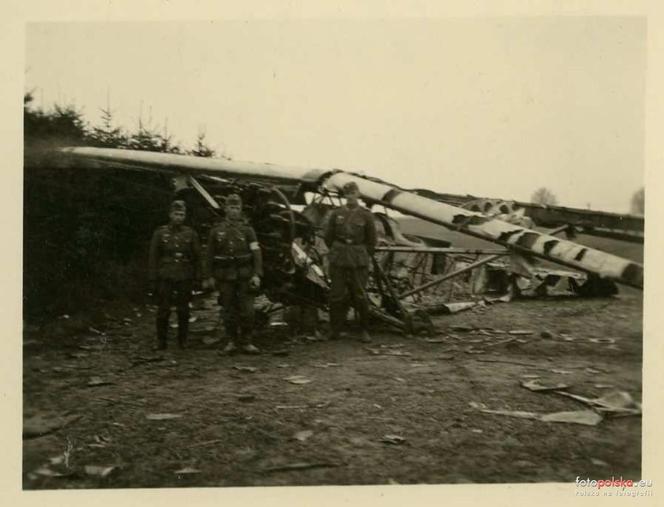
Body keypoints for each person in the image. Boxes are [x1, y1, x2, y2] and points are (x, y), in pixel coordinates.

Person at [203, 194, 263, 354]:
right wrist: (208, 276)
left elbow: (256, 253)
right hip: (225, 276)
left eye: (237, 208)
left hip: (245, 275)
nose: (234, 211)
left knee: (248, 311)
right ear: (225, 209)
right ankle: (231, 341)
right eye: (231, 207)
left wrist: (257, 274)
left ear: (241, 209)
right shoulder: (216, 231)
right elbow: (209, 254)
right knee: (228, 310)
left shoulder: (248, 230)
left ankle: (246, 341)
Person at [324, 181, 377, 342]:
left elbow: (371, 241)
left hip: (358, 258)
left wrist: (360, 253)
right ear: (344, 195)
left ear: (358, 194)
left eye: (353, 193)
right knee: (336, 295)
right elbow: (328, 237)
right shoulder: (336, 213)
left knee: (360, 295)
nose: (350, 196)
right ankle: (335, 330)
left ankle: (364, 330)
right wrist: (338, 250)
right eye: (347, 194)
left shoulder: (366, 215)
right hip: (339, 258)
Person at [148, 200, 202, 350]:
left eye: (182, 214)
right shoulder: (160, 233)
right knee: (163, 310)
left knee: (183, 310)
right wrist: (153, 279)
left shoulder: (191, 234)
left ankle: (182, 341)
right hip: (165, 275)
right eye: (176, 214)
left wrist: (198, 278)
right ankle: (161, 341)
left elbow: (197, 257)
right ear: (170, 214)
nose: (179, 217)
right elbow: (153, 257)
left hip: (184, 275)